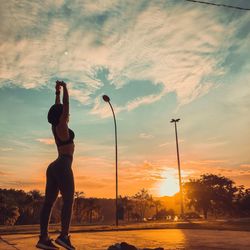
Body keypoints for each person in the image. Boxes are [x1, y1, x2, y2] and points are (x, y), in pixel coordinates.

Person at [36, 81, 75, 250]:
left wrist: (57, 93)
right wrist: (65, 88)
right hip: (63, 164)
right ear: (61, 116)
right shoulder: (62, 125)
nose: (66, 114)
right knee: (68, 201)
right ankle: (63, 237)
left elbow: (59, 106)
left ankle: (43, 239)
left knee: (48, 203)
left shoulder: (55, 126)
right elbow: (65, 106)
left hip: (53, 167)